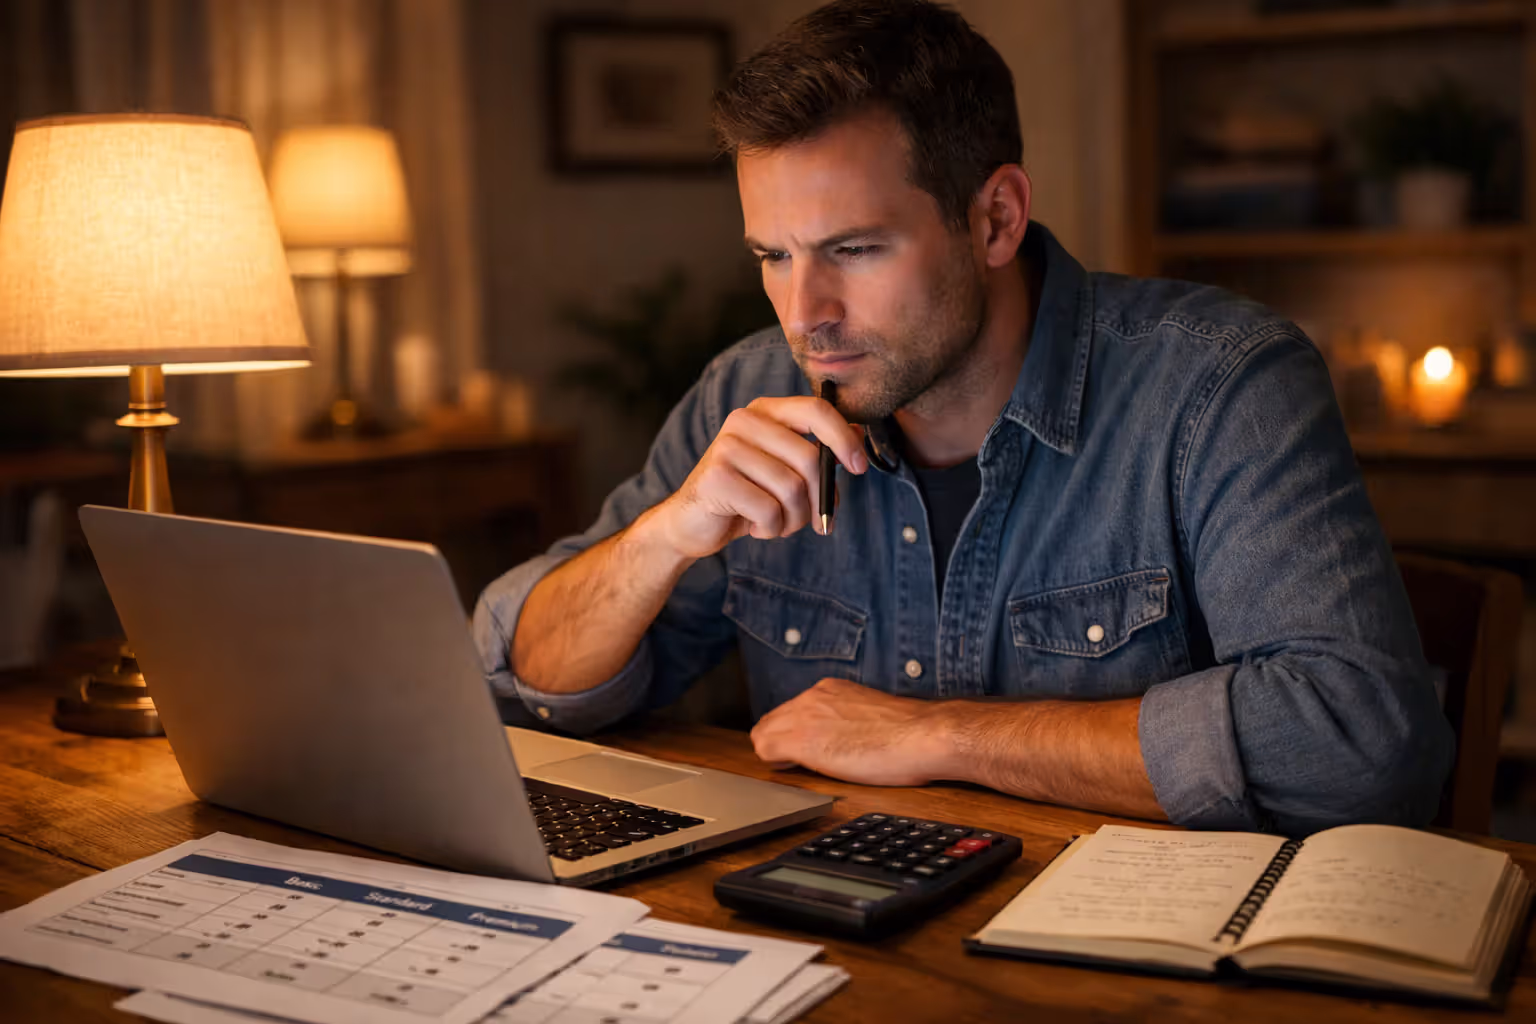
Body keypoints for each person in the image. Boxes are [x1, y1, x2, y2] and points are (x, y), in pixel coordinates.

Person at [474, 0, 1453, 836]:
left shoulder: (1221, 385)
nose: (803, 311)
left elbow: (1360, 743)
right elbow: (528, 685)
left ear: (995, 218)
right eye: (772, 255)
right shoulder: (746, 394)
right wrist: (665, 538)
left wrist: (936, 733)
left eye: (853, 248)